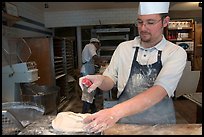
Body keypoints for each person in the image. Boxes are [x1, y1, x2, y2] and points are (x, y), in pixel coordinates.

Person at [79, 2, 187, 133]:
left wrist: (114, 112)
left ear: (165, 22)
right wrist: (100, 80)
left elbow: (159, 91)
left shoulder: (175, 52)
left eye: (150, 22)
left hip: (161, 126)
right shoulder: (124, 48)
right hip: (126, 123)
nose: (143, 28)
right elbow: (110, 80)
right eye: (140, 22)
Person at [80, 38, 103, 114]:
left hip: (88, 70)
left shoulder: (88, 47)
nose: (98, 48)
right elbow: (95, 57)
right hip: (86, 72)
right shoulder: (90, 46)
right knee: (88, 93)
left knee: (91, 92)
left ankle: (93, 110)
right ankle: (84, 112)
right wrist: (102, 61)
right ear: (96, 43)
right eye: (98, 46)